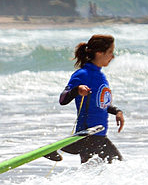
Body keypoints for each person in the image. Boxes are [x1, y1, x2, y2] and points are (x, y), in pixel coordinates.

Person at [47, 33, 125, 164]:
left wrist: (117, 111)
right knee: (118, 167)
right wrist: (77, 90)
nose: (113, 56)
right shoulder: (82, 74)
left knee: (111, 170)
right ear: (99, 53)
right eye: (110, 52)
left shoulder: (101, 76)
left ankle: (56, 149)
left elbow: (99, 104)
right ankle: (53, 149)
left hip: (99, 135)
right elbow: (63, 99)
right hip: (88, 134)